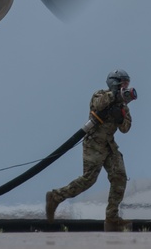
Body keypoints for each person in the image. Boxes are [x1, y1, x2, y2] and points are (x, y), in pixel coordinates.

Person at [46, 69, 136, 232]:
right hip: (93, 143)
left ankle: (112, 220)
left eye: (127, 84)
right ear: (114, 83)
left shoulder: (123, 106)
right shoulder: (100, 94)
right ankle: (55, 197)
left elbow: (125, 128)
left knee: (119, 177)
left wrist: (120, 117)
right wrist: (113, 96)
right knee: (89, 180)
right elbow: (97, 105)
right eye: (123, 83)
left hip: (109, 145)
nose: (126, 87)